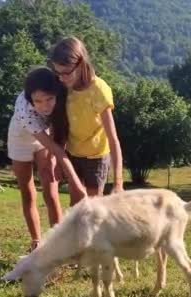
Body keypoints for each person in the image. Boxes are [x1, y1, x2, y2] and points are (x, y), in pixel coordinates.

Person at [7, 67, 86, 252]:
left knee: (51, 190)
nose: (45, 106)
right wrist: (76, 185)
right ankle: (36, 242)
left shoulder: (64, 96)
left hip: (46, 138)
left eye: (49, 99)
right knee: (28, 192)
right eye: (38, 101)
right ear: (30, 100)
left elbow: (62, 133)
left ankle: (58, 243)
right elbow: (56, 149)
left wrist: (57, 162)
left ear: (56, 93)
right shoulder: (25, 113)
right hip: (21, 139)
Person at [49, 36, 124, 205]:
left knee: (92, 208)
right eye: (57, 72)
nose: (61, 78)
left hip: (96, 157)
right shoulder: (63, 87)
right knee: (76, 206)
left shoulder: (98, 90)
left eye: (66, 72)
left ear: (81, 64)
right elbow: (59, 126)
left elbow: (113, 139)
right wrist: (58, 162)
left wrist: (118, 182)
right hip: (73, 154)